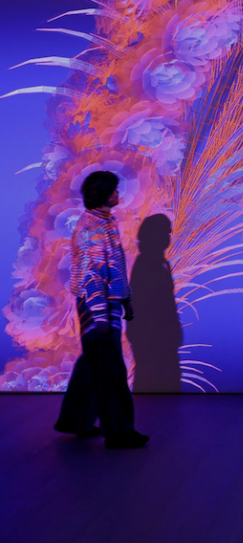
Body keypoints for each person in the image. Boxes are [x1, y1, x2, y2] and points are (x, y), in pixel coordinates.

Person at [54, 170, 149, 449]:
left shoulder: (104, 222)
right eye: (114, 190)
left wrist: (125, 299)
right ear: (104, 194)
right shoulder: (93, 228)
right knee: (111, 370)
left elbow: (114, 267)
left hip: (106, 302)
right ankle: (120, 433)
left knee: (93, 363)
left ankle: (76, 420)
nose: (118, 194)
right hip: (99, 305)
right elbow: (92, 274)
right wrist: (99, 314)